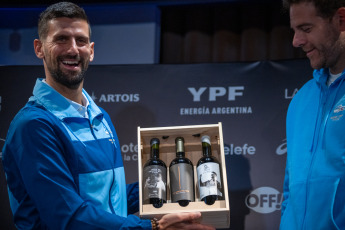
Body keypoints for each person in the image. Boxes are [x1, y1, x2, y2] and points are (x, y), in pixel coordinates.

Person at [1, 2, 215, 230]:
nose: (73, 49)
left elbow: (113, 197)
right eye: (61, 39)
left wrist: (174, 183)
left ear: (91, 50)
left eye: (81, 40)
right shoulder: (34, 125)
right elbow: (68, 217)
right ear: (39, 48)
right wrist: (153, 227)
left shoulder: (99, 116)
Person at [281, 0, 345, 229]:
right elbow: (290, 190)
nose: (296, 41)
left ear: (341, 20)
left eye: (306, 29)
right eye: (295, 30)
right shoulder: (301, 100)